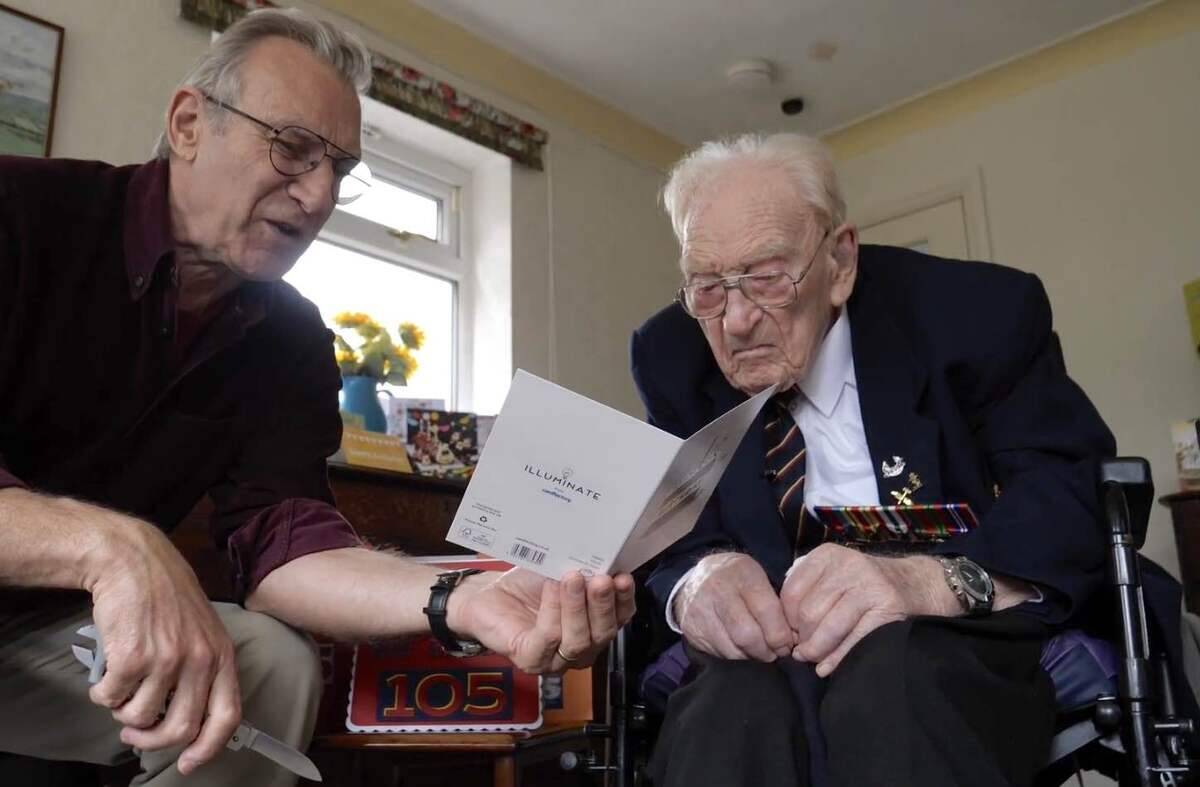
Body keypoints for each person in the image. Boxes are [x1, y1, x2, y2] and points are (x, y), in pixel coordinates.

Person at [0, 9, 633, 785]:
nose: (318, 194)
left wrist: (463, 599)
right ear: (190, 123)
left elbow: (286, 545)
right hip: (67, 606)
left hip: (50, 641)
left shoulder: (289, 340)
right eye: (293, 147)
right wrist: (113, 547)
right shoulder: (21, 216)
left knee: (274, 661)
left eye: (339, 168)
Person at [630, 132, 1188, 786]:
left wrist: (928, 582)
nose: (735, 321)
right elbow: (667, 523)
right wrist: (699, 576)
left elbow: (1068, 489)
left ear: (838, 262)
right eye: (708, 288)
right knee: (730, 708)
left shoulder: (974, 315)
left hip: (948, 624)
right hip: (769, 640)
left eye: (767, 277)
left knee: (893, 679)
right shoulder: (670, 353)